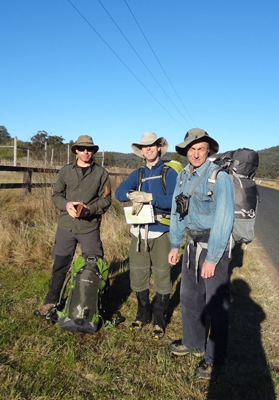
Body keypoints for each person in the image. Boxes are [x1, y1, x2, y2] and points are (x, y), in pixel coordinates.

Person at [168, 128, 234, 379]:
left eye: (200, 149)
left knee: (215, 304)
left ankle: (214, 358)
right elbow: (178, 212)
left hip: (213, 245)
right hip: (191, 244)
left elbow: (224, 219)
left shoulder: (220, 177)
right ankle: (193, 342)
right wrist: (175, 244)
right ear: (186, 152)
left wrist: (213, 258)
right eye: (191, 149)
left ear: (208, 151)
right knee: (189, 297)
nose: (195, 154)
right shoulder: (183, 175)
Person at [38, 135, 111, 315]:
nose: (86, 152)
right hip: (66, 226)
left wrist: (90, 210)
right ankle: (51, 301)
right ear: (76, 151)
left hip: (89, 227)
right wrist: (66, 205)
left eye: (89, 149)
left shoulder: (101, 173)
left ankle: (93, 304)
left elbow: (106, 200)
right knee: (60, 264)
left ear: (93, 151)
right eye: (82, 148)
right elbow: (56, 195)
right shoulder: (65, 171)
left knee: (93, 266)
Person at [115, 132, 177, 339]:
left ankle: (159, 318)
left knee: (162, 274)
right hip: (138, 232)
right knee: (139, 274)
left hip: (161, 231)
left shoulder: (169, 172)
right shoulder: (137, 173)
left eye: (152, 145)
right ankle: (142, 314)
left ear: (159, 147)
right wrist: (132, 194)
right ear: (141, 150)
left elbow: (174, 201)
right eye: (144, 146)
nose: (148, 149)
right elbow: (118, 193)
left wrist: (150, 197)